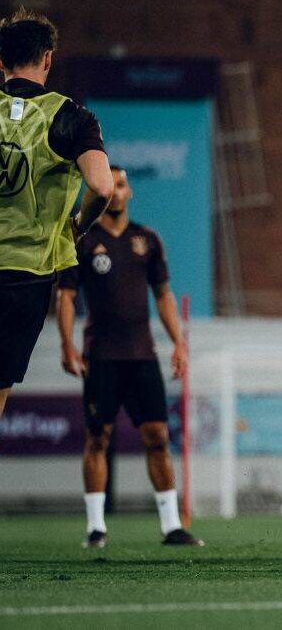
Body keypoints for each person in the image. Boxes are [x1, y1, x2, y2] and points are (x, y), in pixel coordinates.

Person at [57, 166, 201, 548]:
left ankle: (172, 526)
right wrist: (67, 344)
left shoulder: (147, 240)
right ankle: (95, 527)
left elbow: (164, 295)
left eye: (121, 185)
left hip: (143, 356)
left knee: (156, 435)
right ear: (98, 193)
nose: (116, 191)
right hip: (101, 356)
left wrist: (179, 343)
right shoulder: (83, 240)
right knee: (97, 438)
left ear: (129, 192)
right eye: (110, 186)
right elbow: (67, 297)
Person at [0, 8, 112, 418]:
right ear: (48, 58)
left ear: (0, 61)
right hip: (23, 275)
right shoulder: (72, 118)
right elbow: (102, 187)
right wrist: (79, 228)